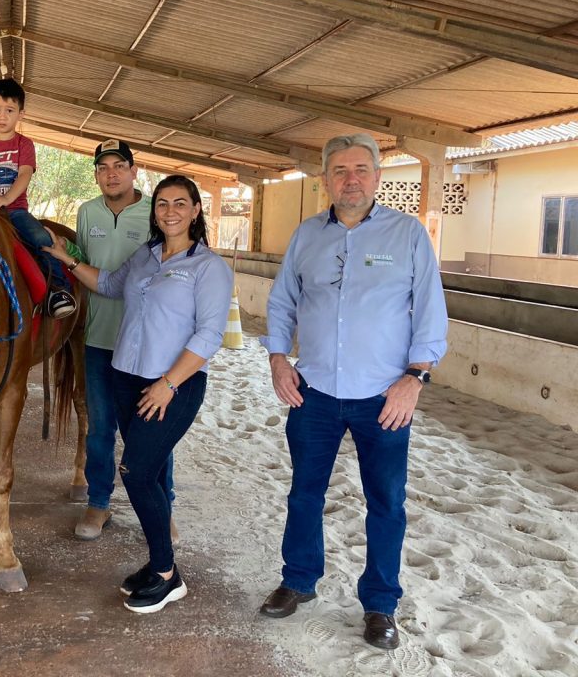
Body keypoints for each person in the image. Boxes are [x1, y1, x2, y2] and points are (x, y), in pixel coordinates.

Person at [258, 133, 448, 650]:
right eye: (340, 170)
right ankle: (299, 580)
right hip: (315, 391)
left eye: (361, 169)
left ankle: (381, 603)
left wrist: (415, 378)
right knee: (305, 492)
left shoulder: (408, 234)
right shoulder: (307, 235)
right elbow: (282, 301)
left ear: (378, 177)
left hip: (384, 397)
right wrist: (278, 358)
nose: (351, 179)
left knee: (386, 501)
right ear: (325, 179)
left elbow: (431, 311)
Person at [46, 174, 233, 614]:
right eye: (163, 203)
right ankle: (158, 565)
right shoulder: (145, 255)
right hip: (126, 377)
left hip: (172, 385)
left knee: (136, 471)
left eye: (180, 203)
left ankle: (167, 575)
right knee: (145, 469)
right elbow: (109, 285)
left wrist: (168, 384)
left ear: (196, 210)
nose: (170, 211)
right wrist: (65, 258)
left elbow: (209, 335)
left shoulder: (209, 267)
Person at [72, 139, 175, 541]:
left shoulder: (155, 213)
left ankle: (163, 506)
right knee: (100, 429)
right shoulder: (87, 212)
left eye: (119, 166)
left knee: (152, 429)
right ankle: (99, 502)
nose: (111, 174)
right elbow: (82, 265)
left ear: (134, 171)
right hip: (98, 339)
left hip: (148, 344)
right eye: (103, 168)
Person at [0, 77, 76, 319]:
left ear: (21, 114)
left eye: (9, 110)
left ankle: (58, 288)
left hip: (14, 211)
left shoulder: (24, 144)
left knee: (40, 237)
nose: (2, 116)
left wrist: (6, 198)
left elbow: (24, 174)